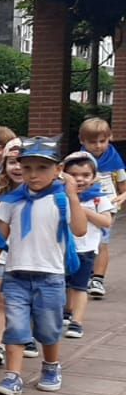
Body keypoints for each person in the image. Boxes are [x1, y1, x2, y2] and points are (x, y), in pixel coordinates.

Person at [0, 138, 87, 395]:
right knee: (16, 326)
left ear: (58, 170)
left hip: (50, 276)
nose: (32, 174)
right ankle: (12, 376)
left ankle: (51, 366)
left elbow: (80, 229)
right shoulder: (11, 201)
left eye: (42, 168)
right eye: (27, 167)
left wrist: (73, 196)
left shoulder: (61, 200)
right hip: (15, 274)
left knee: (48, 328)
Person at [62, 150, 114, 340]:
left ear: (94, 177)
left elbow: (107, 222)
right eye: (74, 175)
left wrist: (82, 210)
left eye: (85, 175)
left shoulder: (99, 198)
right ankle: (66, 311)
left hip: (85, 250)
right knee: (64, 284)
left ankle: (77, 321)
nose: (80, 179)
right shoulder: (60, 196)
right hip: (62, 248)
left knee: (80, 287)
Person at [0, 140, 23, 367]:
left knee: (23, 302)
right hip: (2, 254)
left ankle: (22, 335)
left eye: (21, 162)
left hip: (29, 257)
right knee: (2, 300)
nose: (17, 167)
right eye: (12, 162)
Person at [78, 118, 125, 298]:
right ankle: (86, 272)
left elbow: (123, 187)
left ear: (109, 138)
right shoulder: (78, 159)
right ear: (82, 140)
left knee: (102, 241)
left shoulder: (115, 160)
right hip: (84, 204)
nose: (98, 146)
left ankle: (97, 278)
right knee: (83, 238)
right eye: (92, 142)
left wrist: (120, 198)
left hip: (107, 205)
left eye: (102, 141)